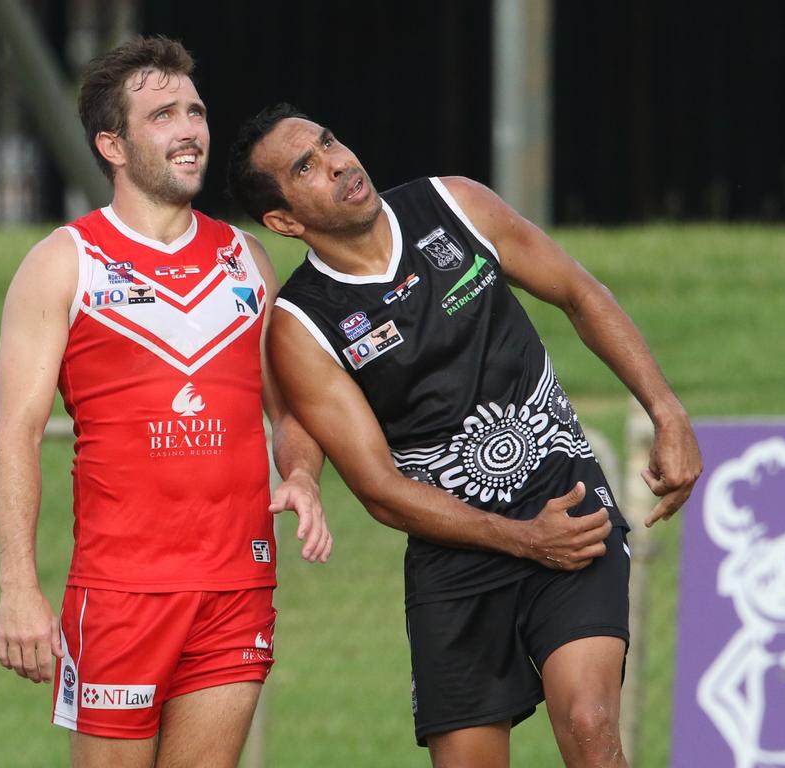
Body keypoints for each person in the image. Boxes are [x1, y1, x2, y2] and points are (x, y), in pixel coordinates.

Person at [227, 104, 702, 767]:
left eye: (330, 141)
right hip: (454, 554)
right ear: (283, 220)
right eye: (306, 166)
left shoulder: (453, 205)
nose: (338, 162)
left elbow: (580, 294)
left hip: (565, 508)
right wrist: (521, 539)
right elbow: (381, 490)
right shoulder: (303, 325)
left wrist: (667, 410)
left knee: (591, 724)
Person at [0, 41, 329, 768]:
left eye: (196, 112)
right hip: (119, 594)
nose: (190, 129)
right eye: (164, 115)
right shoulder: (63, 262)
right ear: (112, 144)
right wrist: (18, 586)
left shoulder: (247, 259)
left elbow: (294, 409)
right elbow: (15, 434)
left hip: (238, 582)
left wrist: (300, 475)